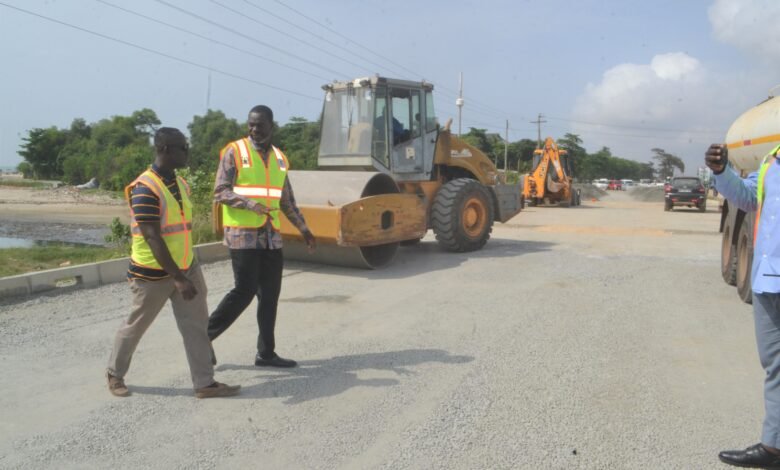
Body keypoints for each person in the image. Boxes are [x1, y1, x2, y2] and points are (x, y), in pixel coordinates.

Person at [106, 127, 240, 399]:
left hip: (185, 266)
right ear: (165, 149)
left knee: (196, 325)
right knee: (136, 325)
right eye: (182, 147)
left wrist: (185, 271)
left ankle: (205, 383)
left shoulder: (180, 184)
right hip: (151, 274)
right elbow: (153, 237)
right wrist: (178, 278)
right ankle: (114, 374)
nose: (187, 152)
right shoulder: (145, 188)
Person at [208, 105, 316, 368]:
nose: (254, 130)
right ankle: (202, 338)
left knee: (270, 295)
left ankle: (266, 353)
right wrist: (248, 204)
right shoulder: (235, 151)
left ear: (271, 126)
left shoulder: (280, 158)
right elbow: (220, 191)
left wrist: (303, 228)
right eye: (251, 125)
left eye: (260, 125)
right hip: (242, 236)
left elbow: (285, 200)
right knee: (244, 291)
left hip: (270, 237)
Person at [706, 142, 780, 468]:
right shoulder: (771, 160)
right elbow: (748, 198)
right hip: (768, 280)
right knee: (775, 365)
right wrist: (722, 173)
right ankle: (773, 446)